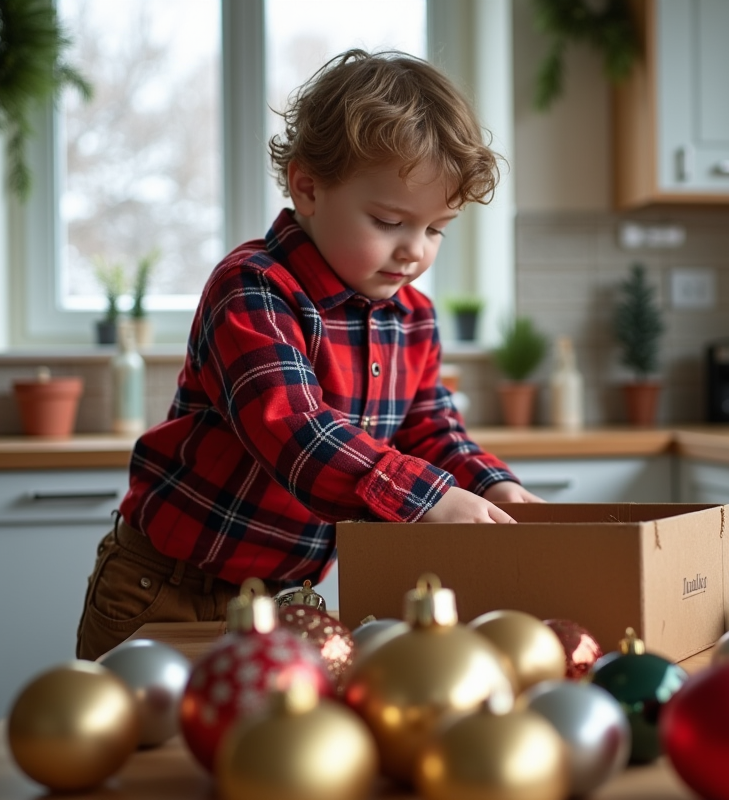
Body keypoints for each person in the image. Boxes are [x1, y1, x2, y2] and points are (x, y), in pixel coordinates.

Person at [76, 49, 541, 660]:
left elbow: (432, 432)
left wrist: (492, 487)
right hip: (165, 590)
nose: (413, 252)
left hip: (286, 601)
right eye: (389, 220)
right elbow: (295, 431)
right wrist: (429, 499)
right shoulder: (253, 288)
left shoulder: (415, 319)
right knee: (145, 755)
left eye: (435, 230)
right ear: (308, 187)